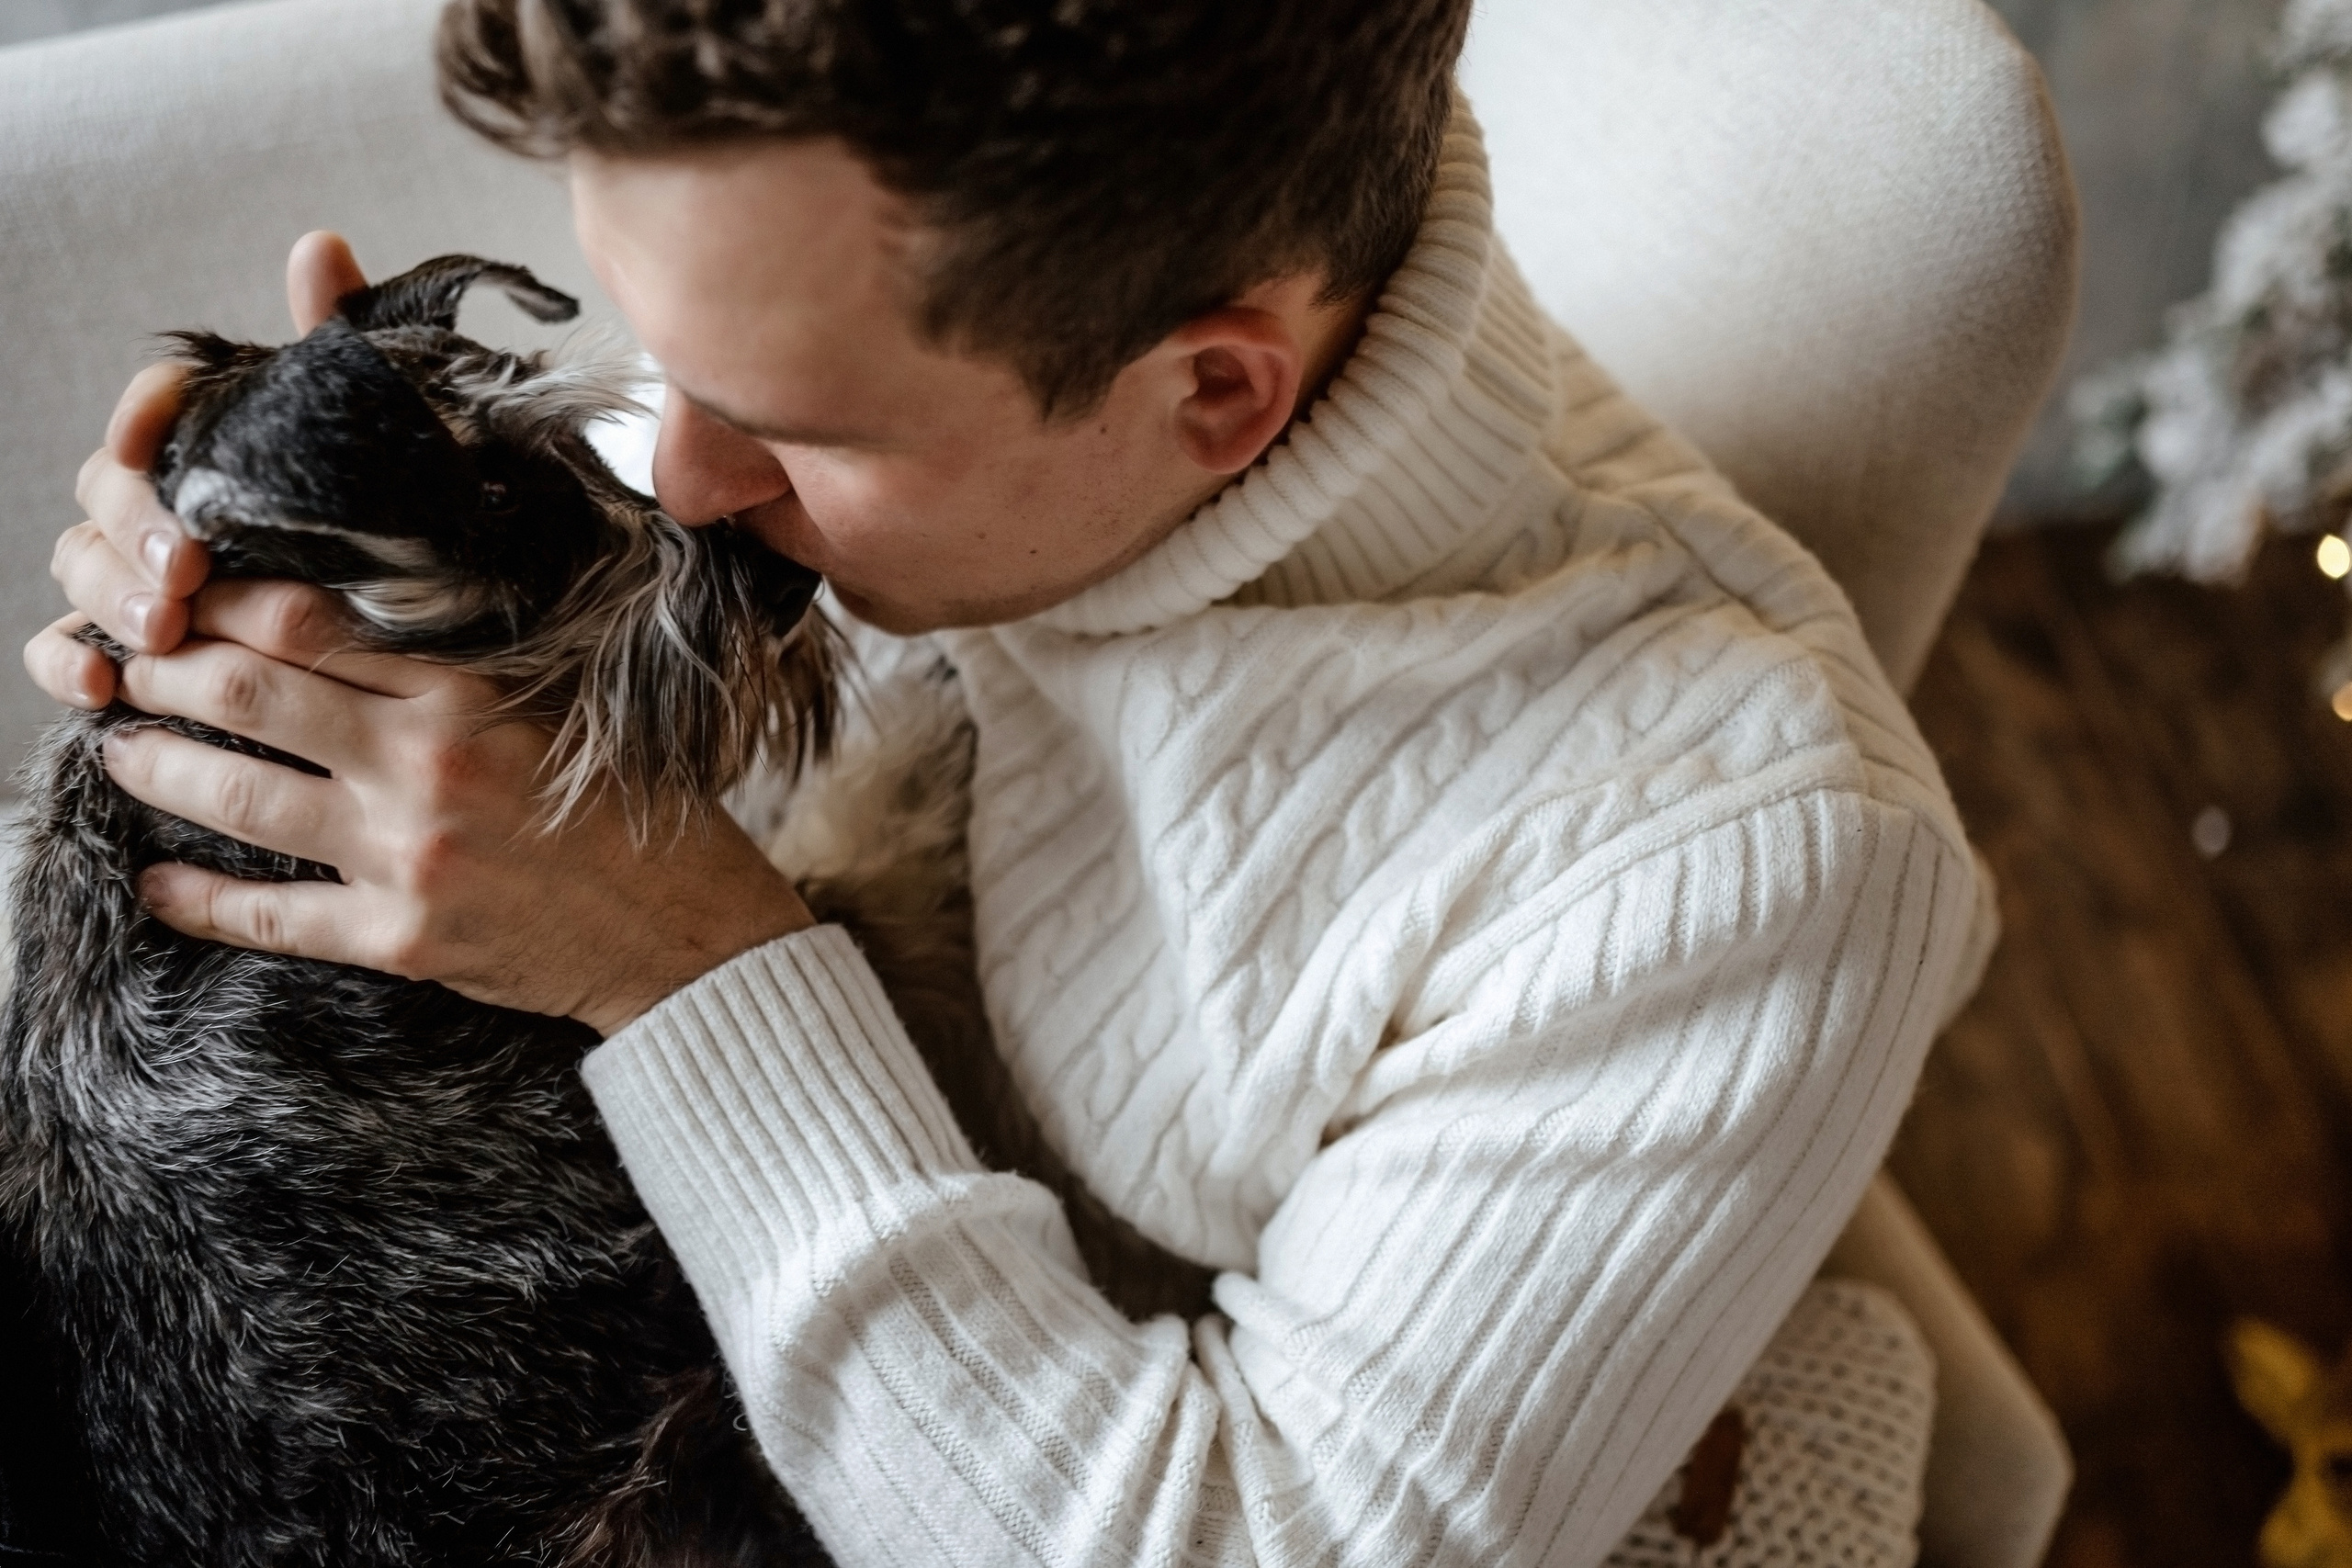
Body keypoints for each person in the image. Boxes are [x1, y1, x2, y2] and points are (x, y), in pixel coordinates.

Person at [29, 0, 1984, 1561]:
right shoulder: (955, 402)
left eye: (785, 417)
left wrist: (685, 962)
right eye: (653, 330)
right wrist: (301, 576)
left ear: (1214, 392)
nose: (675, 471)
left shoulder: (1742, 861)